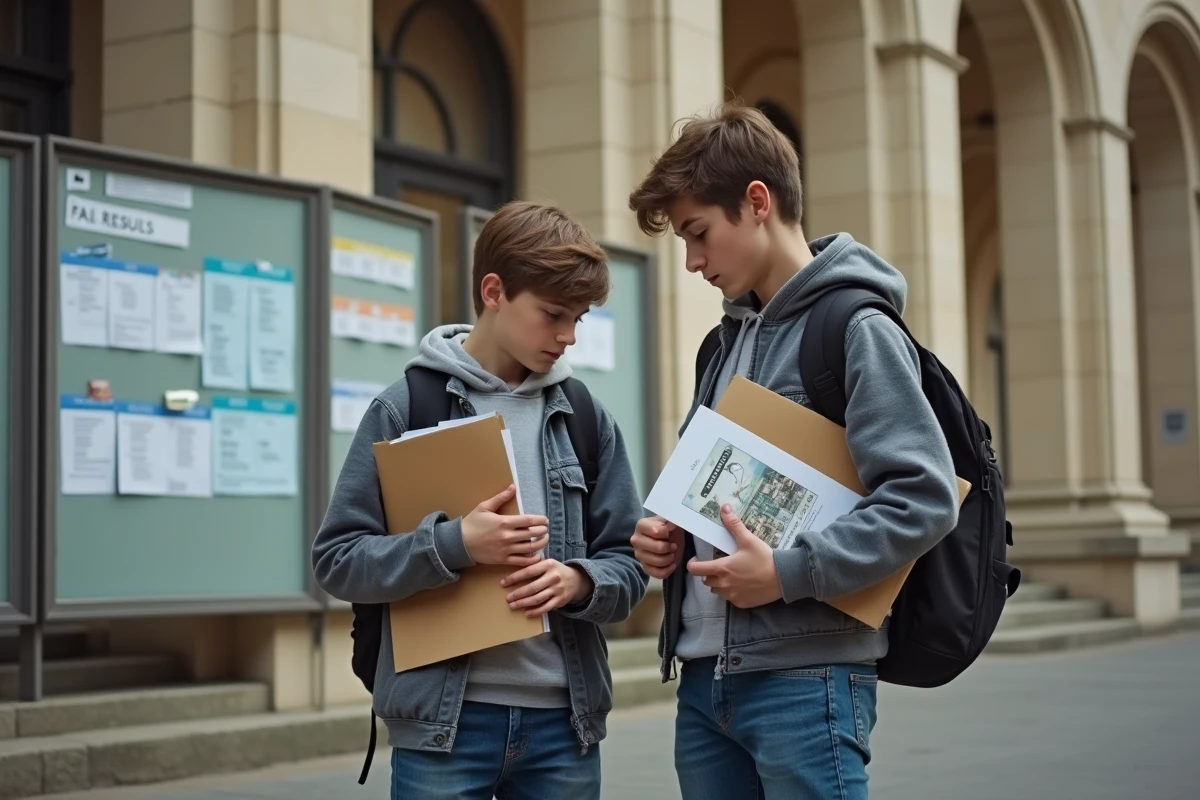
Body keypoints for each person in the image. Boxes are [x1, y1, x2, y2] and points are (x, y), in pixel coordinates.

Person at [627, 103, 960, 799]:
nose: (691, 262)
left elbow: (923, 498)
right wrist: (667, 541)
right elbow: (711, 493)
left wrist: (788, 572)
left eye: (698, 234)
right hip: (702, 678)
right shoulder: (719, 346)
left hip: (807, 681)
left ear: (756, 202)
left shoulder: (857, 327)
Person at [312, 200, 648, 800]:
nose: (568, 337)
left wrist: (579, 582)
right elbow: (338, 560)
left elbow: (630, 564)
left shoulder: (586, 418)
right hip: (444, 729)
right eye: (552, 315)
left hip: (563, 727)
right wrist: (455, 544)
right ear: (494, 291)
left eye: (579, 318)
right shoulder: (405, 408)